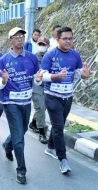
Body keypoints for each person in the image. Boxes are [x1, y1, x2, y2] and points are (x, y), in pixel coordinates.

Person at [38, 26, 89, 174]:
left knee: (57, 125)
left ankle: (50, 147)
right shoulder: (50, 55)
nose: (68, 41)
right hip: (52, 96)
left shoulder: (75, 55)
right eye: (65, 38)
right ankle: (63, 160)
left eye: (70, 38)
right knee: (59, 127)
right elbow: (42, 75)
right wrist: (55, 76)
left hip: (68, 97)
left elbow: (79, 73)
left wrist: (85, 74)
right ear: (57, 39)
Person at [0, 27, 39, 184]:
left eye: (22, 36)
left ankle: (7, 144)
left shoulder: (32, 58)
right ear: (10, 40)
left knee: (23, 129)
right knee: (19, 138)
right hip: (11, 102)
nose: (20, 39)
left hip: (26, 102)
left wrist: (40, 78)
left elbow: (37, 77)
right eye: (16, 37)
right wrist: (4, 80)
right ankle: (21, 170)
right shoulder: (4, 60)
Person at [29, 36, 50, 144]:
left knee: (42, 108)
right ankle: (42, 133)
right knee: (41, 108)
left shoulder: (51, 56)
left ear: (48, 46)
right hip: (36, 85)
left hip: (48, 85)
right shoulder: (32, 57)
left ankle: (33, 123)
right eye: (40, 44)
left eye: (44, 44)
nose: (42, 46)